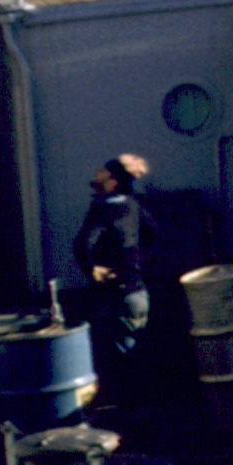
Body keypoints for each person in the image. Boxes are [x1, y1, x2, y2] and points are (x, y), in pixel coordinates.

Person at [74, 153, 154, 407]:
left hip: (115, 297)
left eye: (102, 173)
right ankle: (145, 414)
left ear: (113, 182)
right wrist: (135, 263)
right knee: (138, 357)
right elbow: (153, 233)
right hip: (137, 293)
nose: (96, 174)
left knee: (118, 364)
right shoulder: (131, 204)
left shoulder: (103, 208)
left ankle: (131, 424)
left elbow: (82, 245)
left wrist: (93, 269)